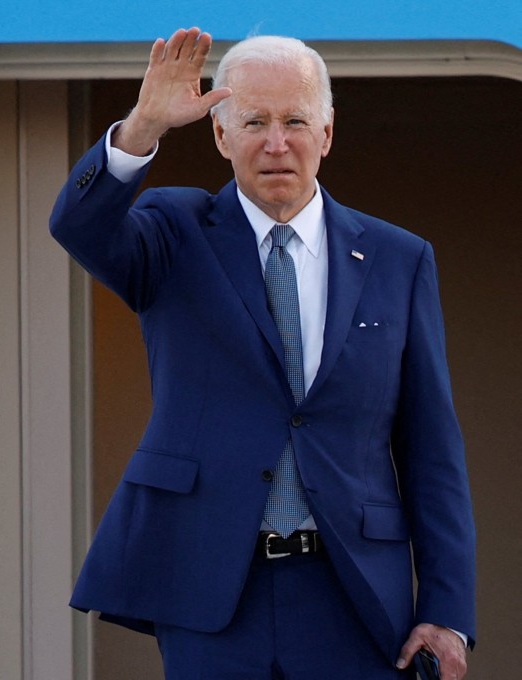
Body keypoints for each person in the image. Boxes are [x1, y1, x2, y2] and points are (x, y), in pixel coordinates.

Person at [49, 28, 476, 679]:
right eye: (254, 122)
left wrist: (446, 612)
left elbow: (431, 448)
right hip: (214, 587)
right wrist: (142, 128)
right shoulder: (175, 232)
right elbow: (78, 226)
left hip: (354, 594)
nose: (277, 142)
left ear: (327, 133)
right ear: (221, 136)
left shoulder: (399, 259)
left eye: (295, 121)